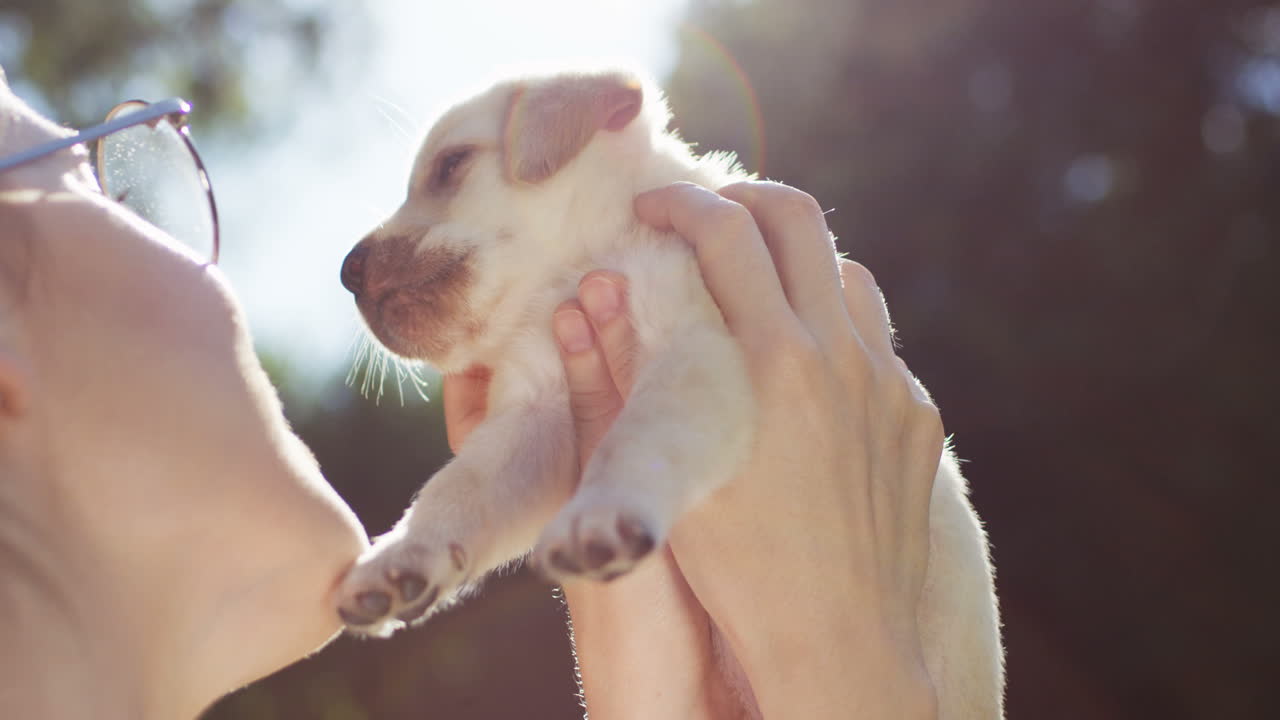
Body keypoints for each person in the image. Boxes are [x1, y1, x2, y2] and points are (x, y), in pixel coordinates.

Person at [0, 65, 940, 720]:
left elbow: (702, 386)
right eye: (96, 171)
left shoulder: (696, 255)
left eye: (451, 170)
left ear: (586, 124)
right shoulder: (575, 338)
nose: (364, 265)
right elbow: (515, 463)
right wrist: (852, 676)